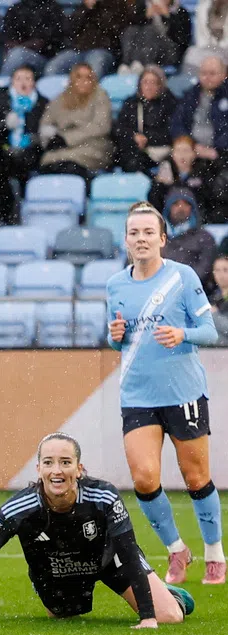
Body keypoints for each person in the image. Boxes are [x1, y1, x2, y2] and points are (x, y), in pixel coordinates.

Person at [0, 433, 192, 628]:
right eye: (48, 463)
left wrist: (147, 617)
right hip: (57, 567)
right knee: (64, 617)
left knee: (169, 616)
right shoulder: (18, 508)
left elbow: (128, 552)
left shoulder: (103, 496)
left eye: (65, 462)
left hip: (111, 559)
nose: (57, 471)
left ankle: (171, 595)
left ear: (79, 469)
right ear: (38, 469)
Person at [107, 201, 223, 584]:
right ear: (126, 240)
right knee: (144, 478)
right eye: (133, 233)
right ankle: (176, 550)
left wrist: (182, 334)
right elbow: (116, 339)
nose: (140, 239)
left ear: (162, 238)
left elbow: (210, 332)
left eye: (147, 232)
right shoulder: (115, 285)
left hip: (183, 392)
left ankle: (213, 553)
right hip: (137, 395)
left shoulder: (183, 277)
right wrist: (113, 338)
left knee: (195, 477)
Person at [38, 63, 113, 177]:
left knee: (70, 165)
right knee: (49, 163)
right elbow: (45, 124)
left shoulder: (100, 95)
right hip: (62, 149)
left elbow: (102, 126)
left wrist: (66, 138)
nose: (83, 81)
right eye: (79, 76)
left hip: (93, 146)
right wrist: (50, 139)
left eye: (88, 77)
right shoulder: (60, 99)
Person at [113, 66, 178, 174]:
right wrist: (133, 135)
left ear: (160, 85)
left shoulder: (170, 103)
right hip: (135, 150)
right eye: (146, 82)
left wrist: (147, 137)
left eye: (153, 82)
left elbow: (172, 132)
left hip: (159, 152)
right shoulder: (131, 103)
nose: (149, 87)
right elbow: (120, 127)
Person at [44, 0, 128, 77]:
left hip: (102, 50)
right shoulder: (82, 6)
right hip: (77, 50)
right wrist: (86, 8)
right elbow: (71, 28)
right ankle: (67, 93)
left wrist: (96, 7)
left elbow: (113, 29)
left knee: (93, 73)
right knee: (51, 69)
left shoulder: (116, 4)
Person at [0, 63, 48, 178]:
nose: (23, 84)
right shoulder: (0, 102)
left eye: (27, 79)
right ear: (12, 82)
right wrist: (5, 125)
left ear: (34, 83)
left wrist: (37, 137)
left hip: (32, 155)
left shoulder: (43, 104)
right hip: (5, 152)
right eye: (18, 79)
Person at [150, 135, 221, 219]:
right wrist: (160, 184)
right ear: (173, 154)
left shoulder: (204, 173)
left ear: (194, 154)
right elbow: (155, 203)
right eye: (178, 150)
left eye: (186, 151)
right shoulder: (164, 172)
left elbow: (210, 201)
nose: (182, 155)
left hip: (199, 220)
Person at [170, 55, 228, 157]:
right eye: (203, 73)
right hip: (192, 150)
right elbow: (177, 122)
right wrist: (187, 142)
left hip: (221, 154)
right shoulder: (190, 95)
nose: (207, 77)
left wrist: (218, 151)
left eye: (212, 73)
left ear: (224, 75)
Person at [162, 187, 219, 284]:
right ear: (168, 208)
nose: (181, 208)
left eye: (186, 203)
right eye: (176, 203)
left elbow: (204, 269)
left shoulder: (205, 237)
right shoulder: (158, 237)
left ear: (192, 208)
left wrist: (180, 284)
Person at [0, 0, 68, 77]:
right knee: (14, 53)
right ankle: (4, 84)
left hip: (45, 59)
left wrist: (21, 46)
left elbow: (43, 42)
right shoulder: (14, 9)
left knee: (17, 54)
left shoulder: (53, 8)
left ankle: (3, 86)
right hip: (18, 53)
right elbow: (7, 39)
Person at [121, 0, 191, 70]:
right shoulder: (142, 8)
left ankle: (143, 64)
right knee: (132, 30)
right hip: (141, 50)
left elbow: (182, 40)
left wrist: (167, 16)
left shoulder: (181, 12)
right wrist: (145, 16)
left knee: (149, 31)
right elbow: (129, 26)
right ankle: (127, 63)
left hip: (169, 52)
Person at [209, 253, 228, 339]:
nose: (221, 274)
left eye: (225, 270)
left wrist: (214, 315)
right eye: (217, 270)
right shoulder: (212, 297)